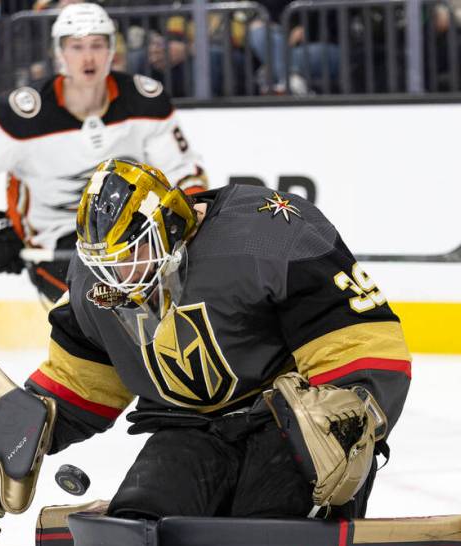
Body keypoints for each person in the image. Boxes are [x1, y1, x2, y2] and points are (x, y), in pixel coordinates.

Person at [23, 159, 412, 520]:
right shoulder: (98, 279)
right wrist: (21, 434)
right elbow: (83, 376)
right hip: (188, 430)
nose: (118, 275)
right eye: (106, 262)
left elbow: (355, 338)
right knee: (140, 527)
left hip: (284, 424)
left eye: (130, 253)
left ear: (169, 225)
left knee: (270, 535)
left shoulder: (268, 234)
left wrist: (349, 416)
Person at [0, 3, 206, 305]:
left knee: (182, 292)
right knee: (106, 305)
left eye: (97, 45)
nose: (88, 57)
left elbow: (185, 171)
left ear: (111, 50)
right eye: (76, 47)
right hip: (55, 242)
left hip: (133, 235)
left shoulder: (146, 101)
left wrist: (195, 221)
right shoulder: (23, 115)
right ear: (59, 53)